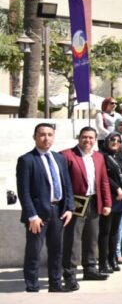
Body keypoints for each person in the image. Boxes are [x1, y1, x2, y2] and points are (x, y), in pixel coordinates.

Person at [17, 123, 74, 293]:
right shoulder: (26, 160)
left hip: (58, 212)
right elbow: (24, 192)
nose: (46, 138)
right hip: (37, 215)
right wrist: (32, 216)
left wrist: (69, 208)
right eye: (42, 134)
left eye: (50, 134)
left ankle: (55, 284)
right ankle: (32, 286)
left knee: (57, 251)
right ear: (34, 137)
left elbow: (67, 185)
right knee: (34, 252)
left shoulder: (59, 158)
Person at [61, 127, 112, 286]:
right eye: (84, 137)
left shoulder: (98, 157)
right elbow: (63, 182)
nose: (87, 140)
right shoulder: (66, 155)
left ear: (95, 140)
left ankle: (90, 269)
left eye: (91, 138)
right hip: (76, 201)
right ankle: (69, 273)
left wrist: (107, 203)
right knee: (73, 239)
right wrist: (68, 204)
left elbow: (104, 181)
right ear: (79, 138)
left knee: (92, 237)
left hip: (94, 200)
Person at [100, 132, 122, 274]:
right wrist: (117, 188)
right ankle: (103, 262)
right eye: (112, 140)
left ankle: (112, 258)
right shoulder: (102, 156)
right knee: (105, 231)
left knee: (115, 230)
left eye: (118, 141)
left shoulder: (119, 156)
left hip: (121, 197)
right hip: (110, 196)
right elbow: (104, 176)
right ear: (107, 141)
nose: (115, 142)